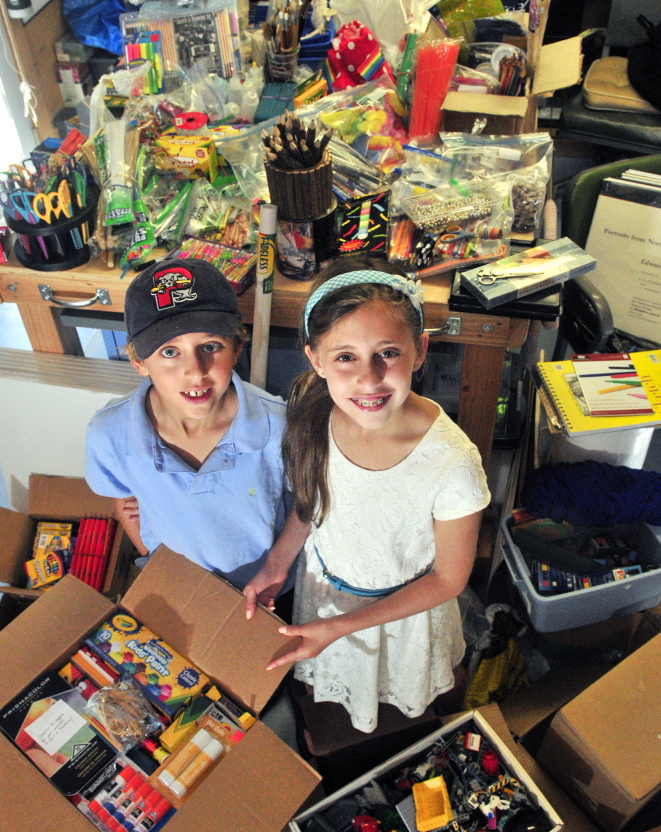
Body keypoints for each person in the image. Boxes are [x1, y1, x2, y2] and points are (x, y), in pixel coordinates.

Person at [244, 258, 491, 733]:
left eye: (387, 353)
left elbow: (447, 580)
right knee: (343, 690)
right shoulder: (314, 412)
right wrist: (277, 564)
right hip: (327, 593)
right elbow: (310, 502)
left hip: (403, 616)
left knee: (404, 702)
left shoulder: (452, 463)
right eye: (345, 357)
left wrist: (340, 628)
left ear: (419, 350)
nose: (369, 378)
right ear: (315, 359)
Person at [84, 258, 292, 593]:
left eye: (210, 347)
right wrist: (150, 554)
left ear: (237, 347)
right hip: (179, 587)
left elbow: (308, 502)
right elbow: (124, 500)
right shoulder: (110, 435)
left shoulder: (280, 426)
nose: (195, 371)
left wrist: (278, 565)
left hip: (269, 585)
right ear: (138, 361)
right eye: (169, 352)